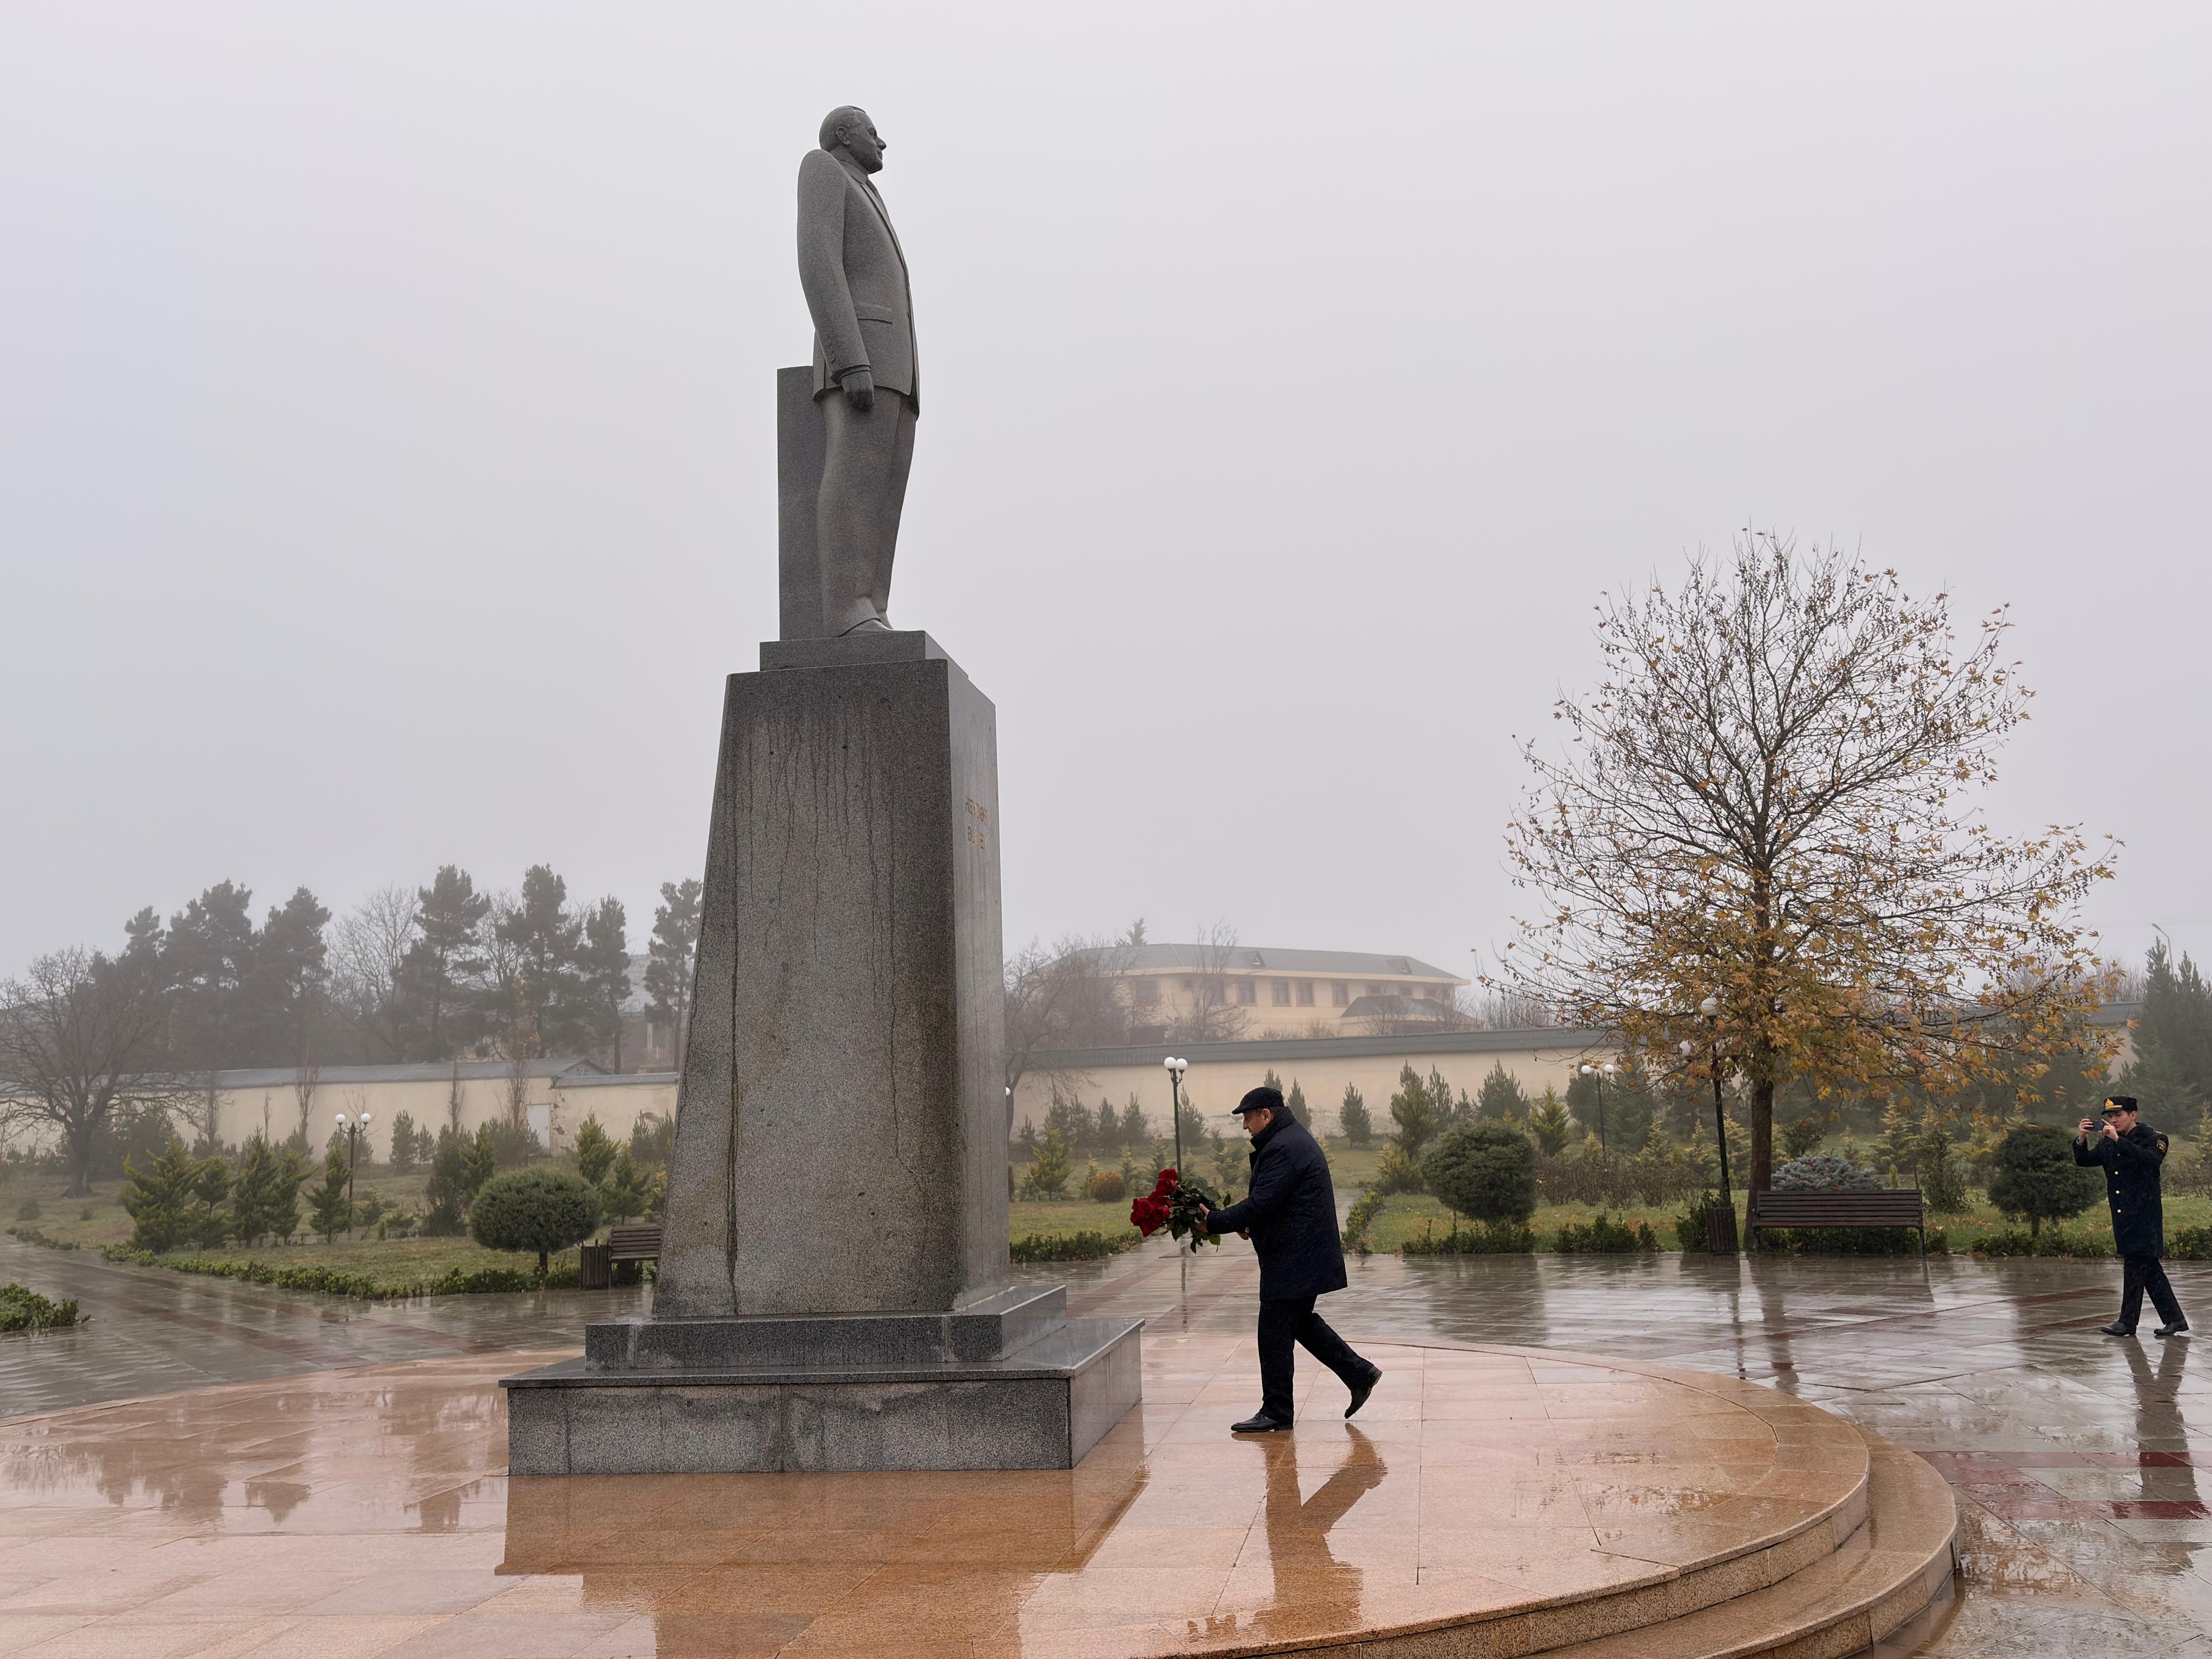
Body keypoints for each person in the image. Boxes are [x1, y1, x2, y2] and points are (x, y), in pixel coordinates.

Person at [796, 105, 919, 638]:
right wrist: (849, 358)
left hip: (896, 365)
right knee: (854, 478)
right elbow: (819, 261)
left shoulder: (869, 192)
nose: (882, 143)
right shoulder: (823, 170)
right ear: (844, 136)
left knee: (886, 489)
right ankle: (846, 609)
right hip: (863, 355)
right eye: (873, 133)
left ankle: (873, 606)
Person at [1197, 1085, 1382, 1434]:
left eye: (1248, 1118)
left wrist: (1215, 1222)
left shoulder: (1285, 1147)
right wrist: (1248, 1223)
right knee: (1297, 1322)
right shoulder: (1288, 1140)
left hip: (1297, 1255)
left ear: (1266, 1115)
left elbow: (1262, 1202)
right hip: (1301, 1252)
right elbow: (1279, 1201)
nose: (1245, 1126)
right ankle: (1359, 1373)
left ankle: (1277, 1411)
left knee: (1273, 1329)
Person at [2075, 1094, 2188, 1339]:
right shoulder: (2108, 1142)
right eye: (2110, 1116)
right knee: (2148, 1269)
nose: (2114, 1120)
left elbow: (2150, 1160)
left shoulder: (2154, 1138)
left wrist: (2119, 1141)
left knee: (2135, 1266)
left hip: (2145, 1215)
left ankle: (2127, 1323)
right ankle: (2175, 1319)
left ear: (2133, 1115)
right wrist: (2082, 1138)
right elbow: (2084, 1161)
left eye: (2119, 1115)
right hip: (2123, 1216)